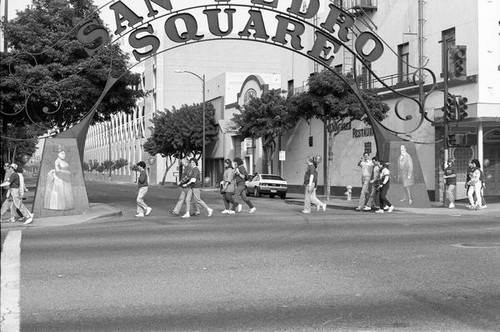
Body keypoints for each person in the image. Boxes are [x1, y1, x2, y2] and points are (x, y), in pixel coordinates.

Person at [44, 146, 74, 210]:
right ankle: (59, 206)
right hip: (60, 179)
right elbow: (57, 171)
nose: (63, 155)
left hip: (66, 179)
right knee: (60, 194)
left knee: (66, 193)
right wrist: (67, 172)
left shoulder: (64, 161)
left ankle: (67, 205)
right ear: (58, 154)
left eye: (64, 153)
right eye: (62, 153)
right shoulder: (57, 161)